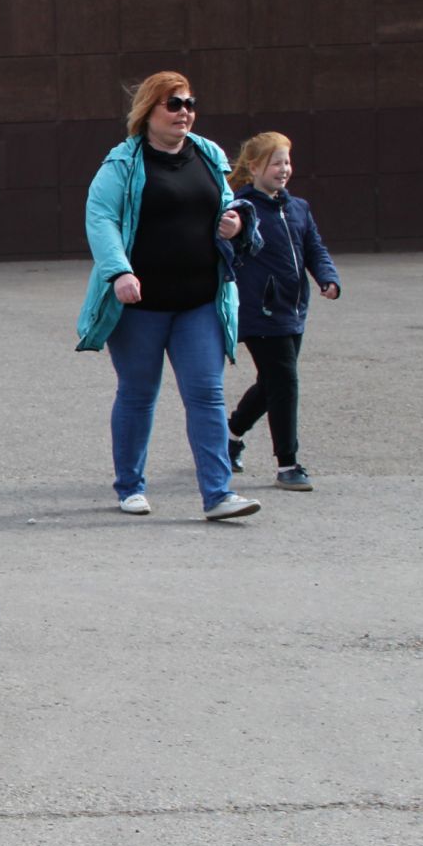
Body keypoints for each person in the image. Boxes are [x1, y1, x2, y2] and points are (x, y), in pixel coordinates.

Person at [76, 71, 260, 521]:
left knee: (207, 394)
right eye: (174, 104)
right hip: (141, 303)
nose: (185, 112)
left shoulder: (210, 154)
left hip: (200, 299)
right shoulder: (122, 163)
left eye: (190, 103)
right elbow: (100, 219)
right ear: (149, 111)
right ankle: (130, 485)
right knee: (139, 394)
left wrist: (236, 223)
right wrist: (118, 271)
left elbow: (228, 205)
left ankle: (218, 494)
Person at [225, 132, 340, 493]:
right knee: (285, 382)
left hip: (293, 310)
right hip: (260, 313)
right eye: (276, 162)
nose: (284, 169)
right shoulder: (242, 208)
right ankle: (288, 464)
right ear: (255, 167)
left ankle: (229, 436)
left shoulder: (298, 208)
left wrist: (327, 277)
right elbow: (230, 243)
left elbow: (314, 249)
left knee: (272, 382)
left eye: (287, 162)